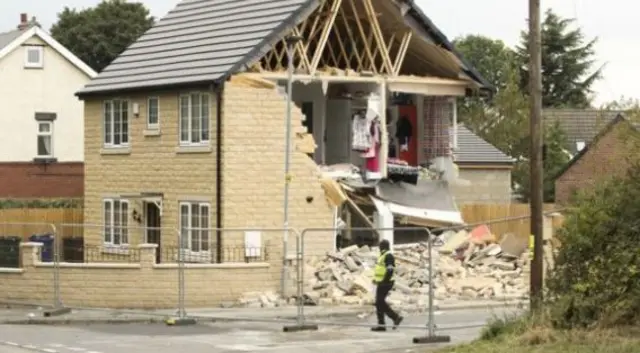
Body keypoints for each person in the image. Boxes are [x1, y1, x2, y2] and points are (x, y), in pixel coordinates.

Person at [371, 239, 403, 332]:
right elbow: (381, 269)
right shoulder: (383, 255)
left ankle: (395, 317)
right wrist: (376, 279)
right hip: (382, 281)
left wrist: (384, 281)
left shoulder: (388, 255)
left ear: (383, 247)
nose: (378, 247)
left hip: (386, 282)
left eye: (380, 246)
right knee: (379, 302)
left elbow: (389, 270)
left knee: (380, 302)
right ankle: (382, 324)